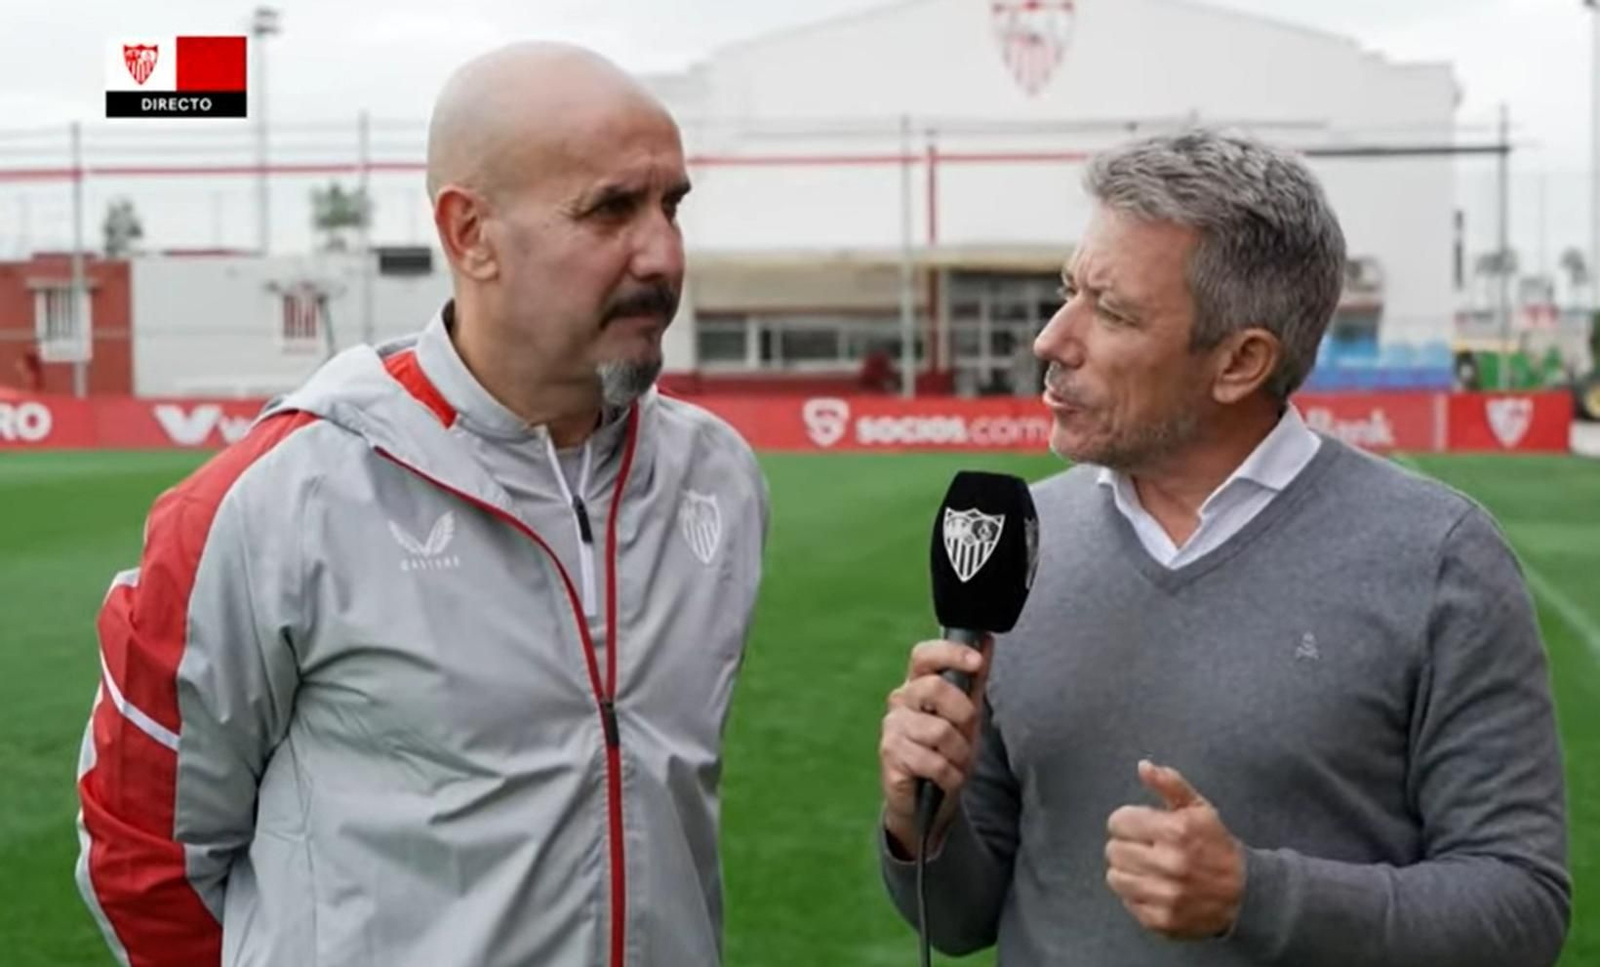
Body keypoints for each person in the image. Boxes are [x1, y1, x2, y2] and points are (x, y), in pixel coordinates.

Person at [75, 43, 768, 967]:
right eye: (611, 209)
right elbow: (141, 850)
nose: (663, 253)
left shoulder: (717, 479)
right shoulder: (276, 500)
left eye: (671, 205)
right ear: (469, 232)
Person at [877, 129, 1569, 965]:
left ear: (1241, 362)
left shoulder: (1439, 559)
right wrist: (922, 827)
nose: (1053, 341)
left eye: (1113, 311)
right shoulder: (1021, 540)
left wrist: (1254, 895)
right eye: (1069, 292)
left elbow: (1520, 908)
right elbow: (960, 920)